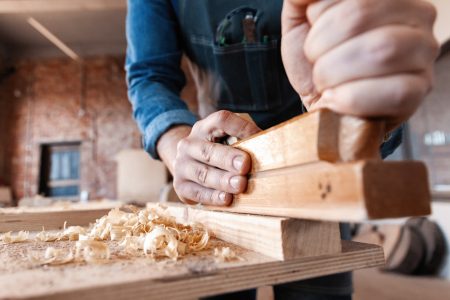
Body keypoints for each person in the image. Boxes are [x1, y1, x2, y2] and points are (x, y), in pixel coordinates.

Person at [125, 0, 438, 299]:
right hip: (219, 175)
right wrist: (181, 146)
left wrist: (357, 112)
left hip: (316, 173)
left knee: (317, 279)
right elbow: (150, 76)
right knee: (222, 286)